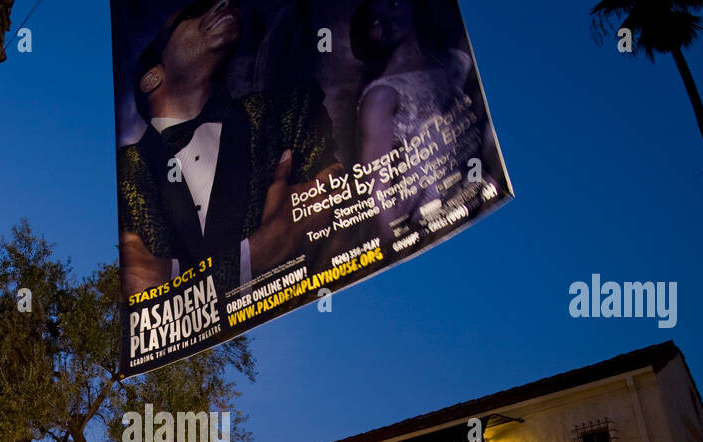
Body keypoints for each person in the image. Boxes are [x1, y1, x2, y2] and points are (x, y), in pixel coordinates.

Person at [118, 0, 340, 299]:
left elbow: (335, 201)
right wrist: (253, 256)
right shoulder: (124, 173)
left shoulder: (288, 110)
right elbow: (141, 287)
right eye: (191, 13)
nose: (223, 2)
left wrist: (173, 273)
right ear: (152, 78)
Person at [350, 0, 492, 244]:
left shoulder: (456, 60)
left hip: (483, 198)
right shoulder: (381, 95)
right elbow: (377, 189)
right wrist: (397, 251)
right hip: (434, 223)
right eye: (374, 20)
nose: (388, 20)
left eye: (395, 3)